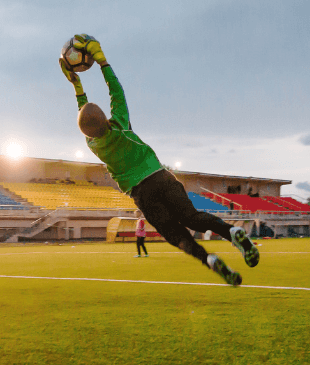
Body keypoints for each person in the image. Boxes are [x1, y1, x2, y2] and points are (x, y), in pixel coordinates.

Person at [59, 34, 259, 286]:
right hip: (161, 177)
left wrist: (76, 87)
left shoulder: (94, 145)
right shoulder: (120, 124)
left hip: (143, 193)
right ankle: (232, 232)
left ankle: (209, 260)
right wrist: (101, 61)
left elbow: (85, 116)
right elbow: (116, 91)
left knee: (175, 235)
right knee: (191, 217)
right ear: (105, 118)